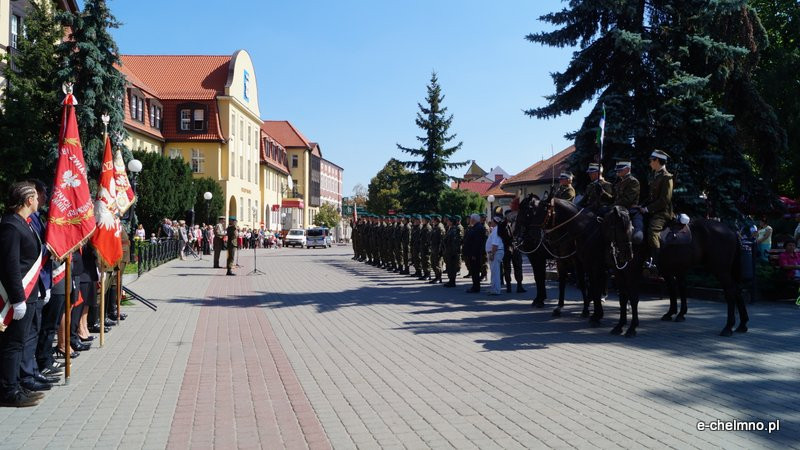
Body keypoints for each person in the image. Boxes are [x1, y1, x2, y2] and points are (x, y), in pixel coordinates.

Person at [0, 181, 44, 407]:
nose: (38, 201)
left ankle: (16, 385)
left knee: (20, 342)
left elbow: (31, 262)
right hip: (17, 297)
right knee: (12, 344)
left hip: (31, 294)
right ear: (28, 200)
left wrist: (40, 291)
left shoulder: (24, 224)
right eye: (36, 197)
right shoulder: (10, 226)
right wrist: (18, 299)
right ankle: (8, 391)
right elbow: (10, 266)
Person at [641, 150, 674, 269]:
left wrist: (647, 209)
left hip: (663, 212)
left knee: (652, 231)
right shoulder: (655, 175)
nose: (650, 163)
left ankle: (656, 261)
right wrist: (641, 206)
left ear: (657, 161)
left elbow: (664, 200)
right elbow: (651, 197)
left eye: (651, 160)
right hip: (653, 210)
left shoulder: (667, 177)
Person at [612, 160, 642, 243]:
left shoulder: (633, 181)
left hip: (629, 210)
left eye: (620, 170)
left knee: (637, 237)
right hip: (618, 208)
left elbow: (628, 200)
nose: (618, 171)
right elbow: (614, 198)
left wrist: (613, 205)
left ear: (628, 169)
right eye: (617, 170)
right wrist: (603, 194)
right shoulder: (619, 182)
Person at [499, 209, 525, 293]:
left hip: (516, 248)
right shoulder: (502, 225)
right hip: (507, 248)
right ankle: (508, 286)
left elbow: (521, 233)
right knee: (507, 267)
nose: (512, 217)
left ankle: (519, 286)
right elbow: (501, 235)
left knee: (518, 266)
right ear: (506, 216)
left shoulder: (516, 224)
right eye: (510, 215)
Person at [463, 214, 487, 293]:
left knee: (475, 271)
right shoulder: (475, 227)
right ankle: (475, 286)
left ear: (473, 219)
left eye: (470, 219)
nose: (470, 220)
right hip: (472, 253)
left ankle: (476, 287)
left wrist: (474, 254)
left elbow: (477, 243)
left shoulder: (478, 228)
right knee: (474, 271)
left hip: (475, 254)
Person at [486, 214, 505, 295]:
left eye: (492, 221)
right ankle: (494, 288)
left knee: (495, 272)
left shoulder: (496, 230)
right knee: (495, 271)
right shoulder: (496, 229)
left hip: (496, 252)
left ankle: (496, 290)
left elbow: (495, 244)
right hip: (496, 252)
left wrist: (492, 254)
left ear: (495, 222)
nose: (491, 222)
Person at [429, 215, 446, 283]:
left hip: (437, 249)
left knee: (438, 264)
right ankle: (436, 277)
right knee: (433, 263)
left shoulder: (440, 227)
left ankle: (439, 278)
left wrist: (440, 250)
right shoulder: (435, 227)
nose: (432, 220)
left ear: (436, 220)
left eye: (433, 219)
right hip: (433, 248)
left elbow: (442, 240)